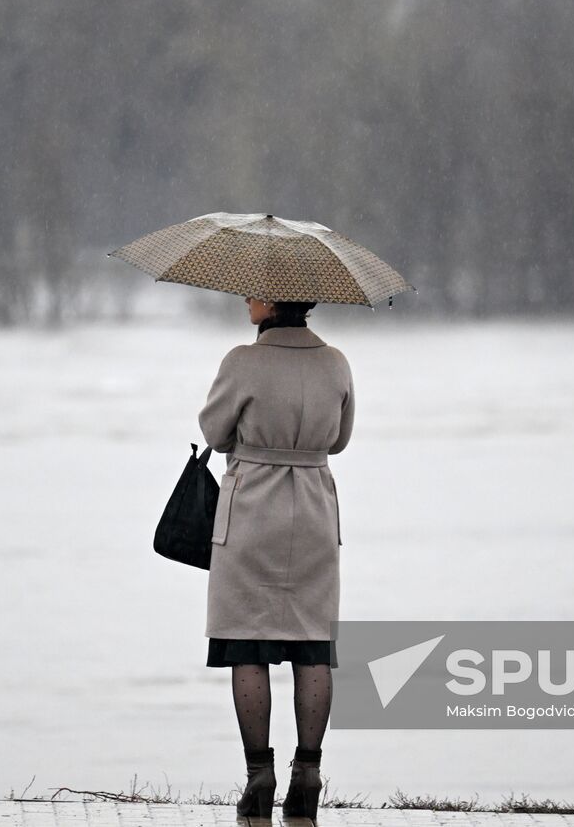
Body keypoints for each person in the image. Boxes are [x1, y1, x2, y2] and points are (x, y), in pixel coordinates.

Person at [198, 295, 354, 821]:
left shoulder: (243, 361)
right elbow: (340, 441)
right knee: (313, 646)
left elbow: (214, 433)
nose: (247, 299)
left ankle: (258, 779)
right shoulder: (335, 361)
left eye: (253, 293)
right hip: (312, 508)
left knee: (248, 643)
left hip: (252, 513)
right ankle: (307, 778)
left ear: (272, 301)